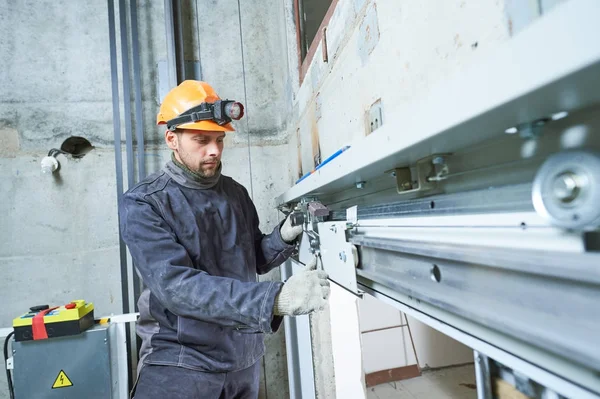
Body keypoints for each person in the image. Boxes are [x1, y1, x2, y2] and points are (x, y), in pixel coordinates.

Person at [119, 80, 330, 398]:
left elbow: (254, 259)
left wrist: (285, 235)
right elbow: (177, 287)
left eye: (219, 139)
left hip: (243, 360)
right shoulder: (145, 202)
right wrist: (275, 300)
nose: (214, 150)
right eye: (201, 140)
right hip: (181, 366)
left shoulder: (235, 193)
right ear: (172, 139)